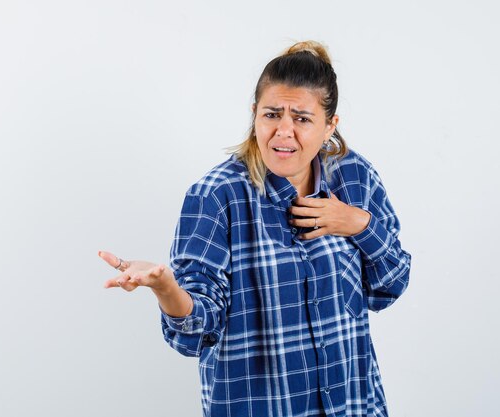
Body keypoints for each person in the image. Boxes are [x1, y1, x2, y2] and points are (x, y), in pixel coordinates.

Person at [98, 40, 411, 417]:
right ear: (254, 114)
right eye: (272, 114)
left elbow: (389, 286)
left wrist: (359, 224)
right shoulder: (216, 196)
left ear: (330, 125)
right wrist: (167, 289)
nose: (283, 131)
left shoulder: (353, 176)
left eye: (302, 118)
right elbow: (196, 333)